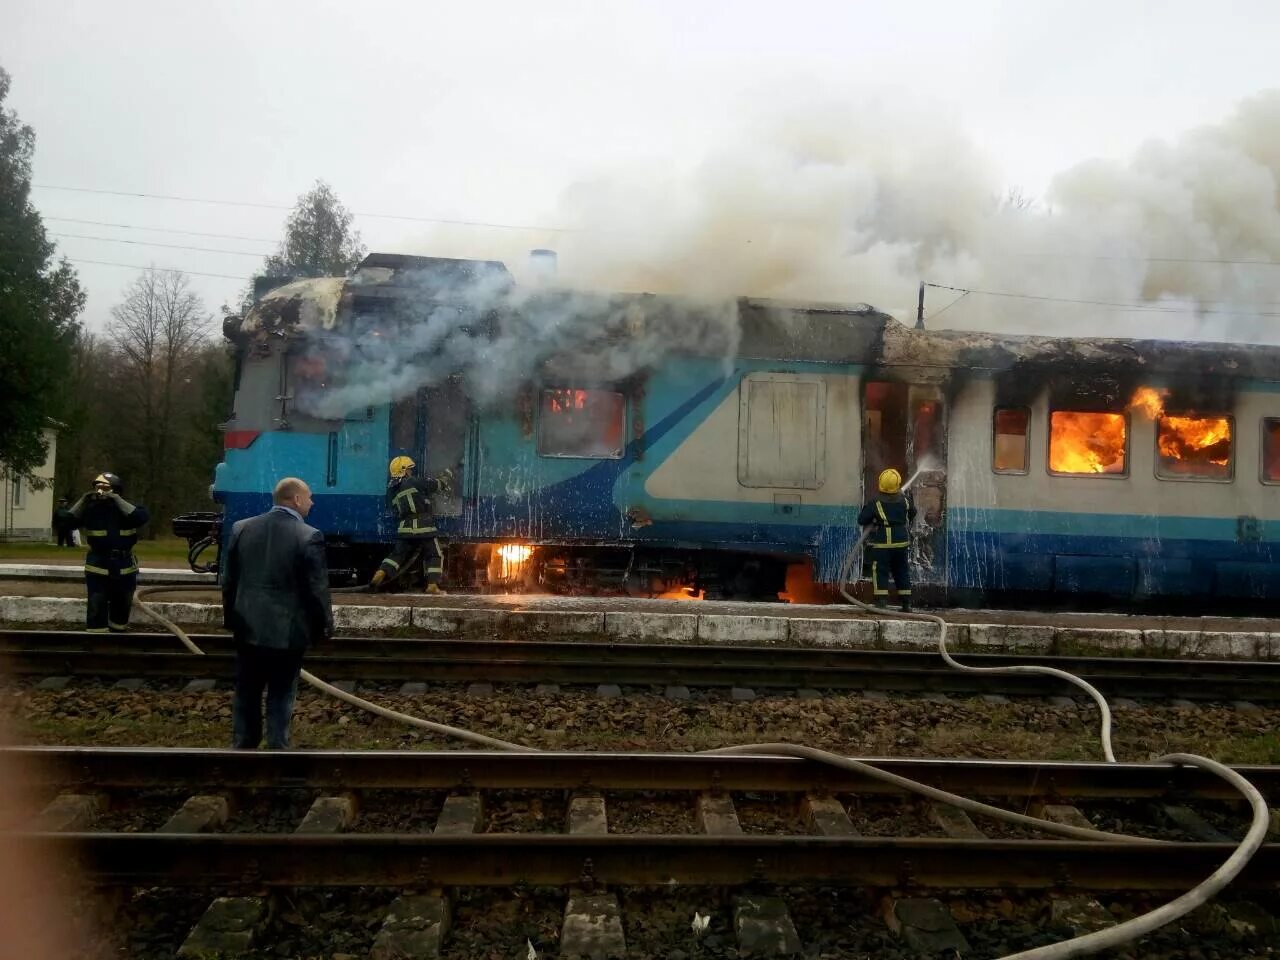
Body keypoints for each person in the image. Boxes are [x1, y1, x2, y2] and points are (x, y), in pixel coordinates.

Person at [221, 476, 333, 750]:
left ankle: (243, 745)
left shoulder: (241, 528)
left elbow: (229, 582)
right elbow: (316, 590)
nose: (312, 502)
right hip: (288, 631)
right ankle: (276, 747)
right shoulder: (308, 535)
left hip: (247, 627)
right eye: (309, 497)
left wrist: (232, 619)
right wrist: (324, 628)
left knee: (247, 689)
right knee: (282, 691)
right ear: (295, 499)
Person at [68, 473, 149, 633]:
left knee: (122, 606)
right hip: (98, 566)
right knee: (97, 605)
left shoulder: (128, 509)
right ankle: (97, 643)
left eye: (105, 488)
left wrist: (117, 500)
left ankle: (117, 642)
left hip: (124, 566)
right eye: (97, 488)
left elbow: (140, 517)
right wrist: (83, 500)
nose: (100, 492)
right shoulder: (90, 509)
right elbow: (66, 521)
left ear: (116, 490)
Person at [370, 456, 453, 594]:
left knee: (397, 555)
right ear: (404, 471)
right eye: (409, 469)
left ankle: (381, 572)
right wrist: (446, 476)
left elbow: (395, 510)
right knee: (434, 554)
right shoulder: (414, 481)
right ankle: (432, 585)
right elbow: (437, 485)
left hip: (405, 527)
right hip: (424, 525)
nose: (411, 472)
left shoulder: (392, 490)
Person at [857, 467, 917, 611]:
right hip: (901, 541)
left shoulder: (876, 502)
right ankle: (906, 604)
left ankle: (881, 603)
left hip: (884, 542)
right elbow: (913, 513)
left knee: (880, 570)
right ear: (897, 484)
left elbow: (862, 519)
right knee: (902, 570)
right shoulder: (905, 500)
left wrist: (876, 519)